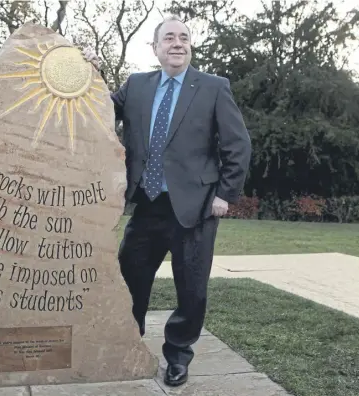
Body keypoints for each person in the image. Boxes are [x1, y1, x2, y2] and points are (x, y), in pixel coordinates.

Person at [83, 15, 251, 387]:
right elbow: (101, 111)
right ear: (156, 47)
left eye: (184, 38)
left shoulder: (213, 87)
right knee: (129, 278)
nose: (177, 43)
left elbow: (238, 144)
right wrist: (88, 75)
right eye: (169, 38)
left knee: (191, 289)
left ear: (190, 46)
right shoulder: (137, 85)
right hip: (146, 203)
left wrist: (225, 194)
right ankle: (127, 342)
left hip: (196, 208)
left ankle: (177, 355)